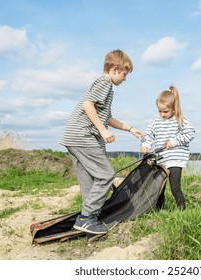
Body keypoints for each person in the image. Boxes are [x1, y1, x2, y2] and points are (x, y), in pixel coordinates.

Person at [60, 49, 143, 235]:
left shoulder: (104, 87)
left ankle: (89, 221)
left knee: (89, 182)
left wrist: (129, 128)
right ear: (115, 68)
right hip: (83, 136)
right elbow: (87, 105)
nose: (125, 79)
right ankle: (86, 218)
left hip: (73, 138)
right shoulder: (104, 82)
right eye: (124, 74)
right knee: (106, 175)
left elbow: (108, 118)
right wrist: (102, 130)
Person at [140, 85, 195, 210]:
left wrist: (174, 141)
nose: (162, 114)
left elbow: (190, 133)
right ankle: (159, 210)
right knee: (159, 187)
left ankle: (183, 211)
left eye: (166, 111)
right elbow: (149, 134)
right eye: (160, 111)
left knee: (175, 187)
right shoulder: (155, 121)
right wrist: (146, 145)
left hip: (175, 159)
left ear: (174, 108)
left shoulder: (179, 120)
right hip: (161, 160)